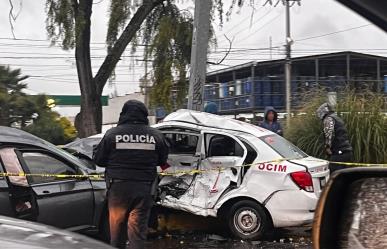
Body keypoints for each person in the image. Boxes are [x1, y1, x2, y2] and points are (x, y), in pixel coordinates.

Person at [93, 100, 168, 249]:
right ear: (144, 115)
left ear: (124, 114)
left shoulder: (112, 134)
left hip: (118, 190)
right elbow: (162, 160)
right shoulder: (156, 135)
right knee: (137, 232)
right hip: (144, 188)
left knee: (116, 231)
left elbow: (99, 160)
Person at [316, 103, 353, 173]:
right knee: (345, 176)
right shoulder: (337, 118)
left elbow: (329, 134)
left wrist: (327, 147)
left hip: (338, 153)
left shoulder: (328, 119)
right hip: (347, 151)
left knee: (335, 175)